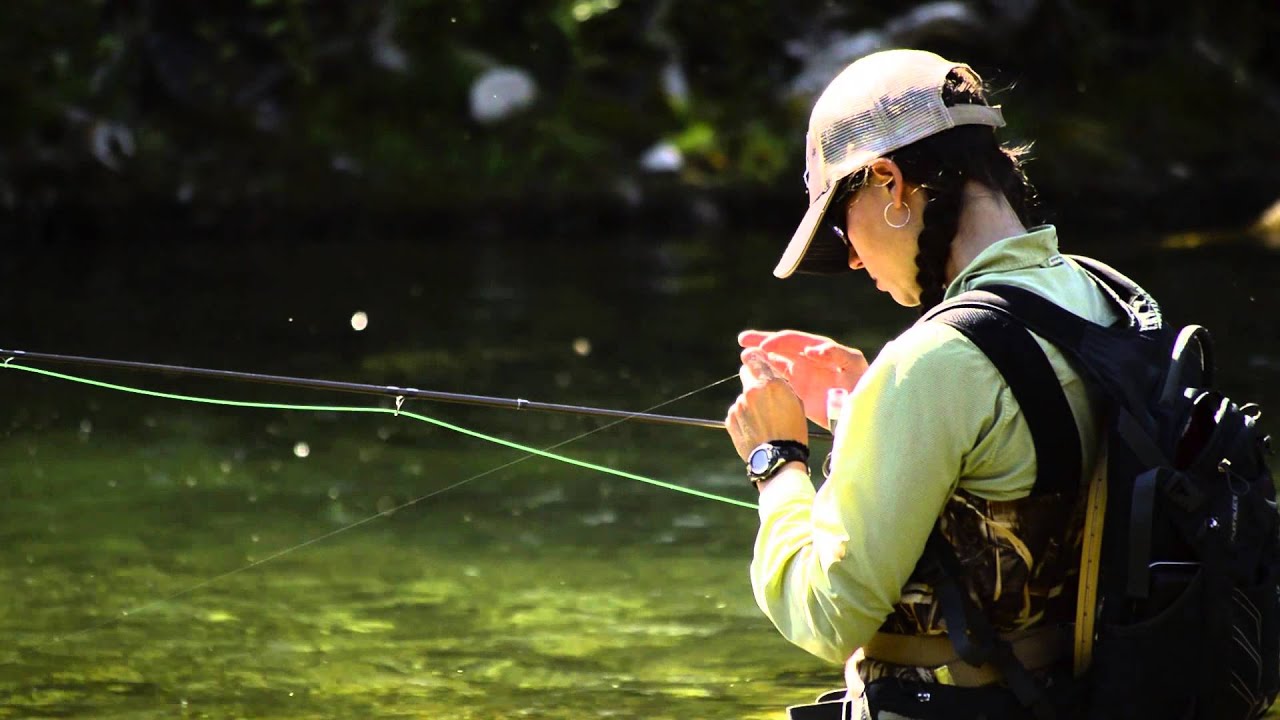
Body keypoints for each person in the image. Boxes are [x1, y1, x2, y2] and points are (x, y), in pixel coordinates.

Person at [724, 49, 1123, 718]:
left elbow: (824, 616)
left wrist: (778, 461)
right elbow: (1026, 438)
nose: (850, 257)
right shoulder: (1100, 294)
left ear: (889, 182)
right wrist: (867, 407)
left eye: (841, 222)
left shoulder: (935, 364)